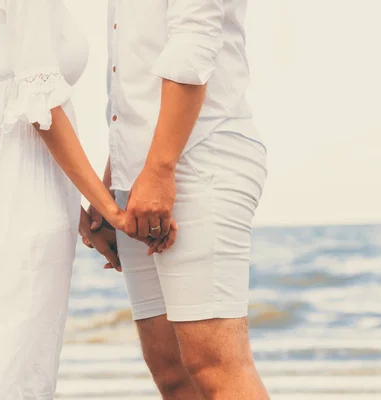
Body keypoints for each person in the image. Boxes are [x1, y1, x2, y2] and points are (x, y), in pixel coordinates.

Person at [0, 0, 175, 398]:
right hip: (25, 215)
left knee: (0, 366)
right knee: (16, 373)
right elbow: (42, 108)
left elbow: (21, 124)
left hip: (1, 206)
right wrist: (113, 212)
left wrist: (86, 217)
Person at [84, 0, 269, 398]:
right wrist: (113, 183)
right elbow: (133, 76)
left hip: (201, 155)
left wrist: (159, 171)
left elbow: (194, 41)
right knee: (170, 370)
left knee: (216, 365)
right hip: (142, 173)